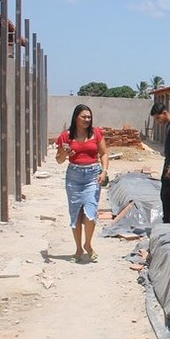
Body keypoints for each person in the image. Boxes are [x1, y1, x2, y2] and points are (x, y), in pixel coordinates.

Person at [55, 104, 109, 263]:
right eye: (84, 117)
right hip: (74, 176)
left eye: (89, 117)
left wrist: (104, 171)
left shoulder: (96, 133)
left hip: (93, 175)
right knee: (76, 214)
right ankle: (78, 248)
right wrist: (65, 152)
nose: (87, 119)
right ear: (76, 117)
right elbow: (59, 160)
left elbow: (104, 153)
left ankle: (88, 244)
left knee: (90, 213)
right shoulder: (66, 136)